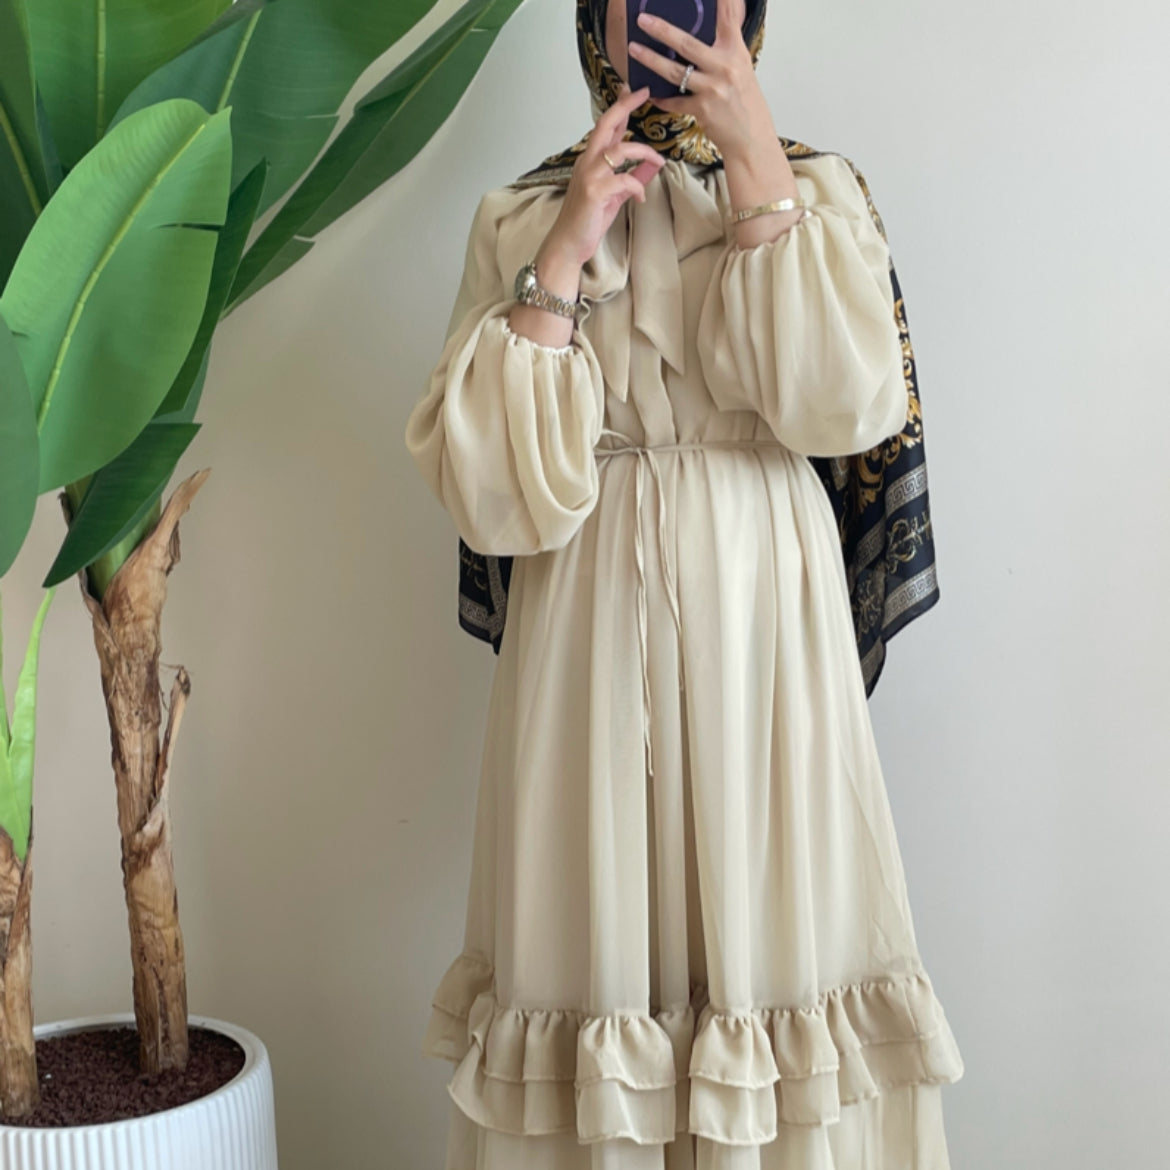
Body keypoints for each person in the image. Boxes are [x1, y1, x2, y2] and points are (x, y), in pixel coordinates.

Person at [403, 0, 965, 1166]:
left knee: (781, 946)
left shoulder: (820, 192)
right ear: (595, 20)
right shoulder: (520, 214)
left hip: (769, 621)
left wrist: (757, 167)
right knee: (587, 958)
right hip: (584, 631)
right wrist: (567, 247)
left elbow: (847, 407)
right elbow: (493, 493)